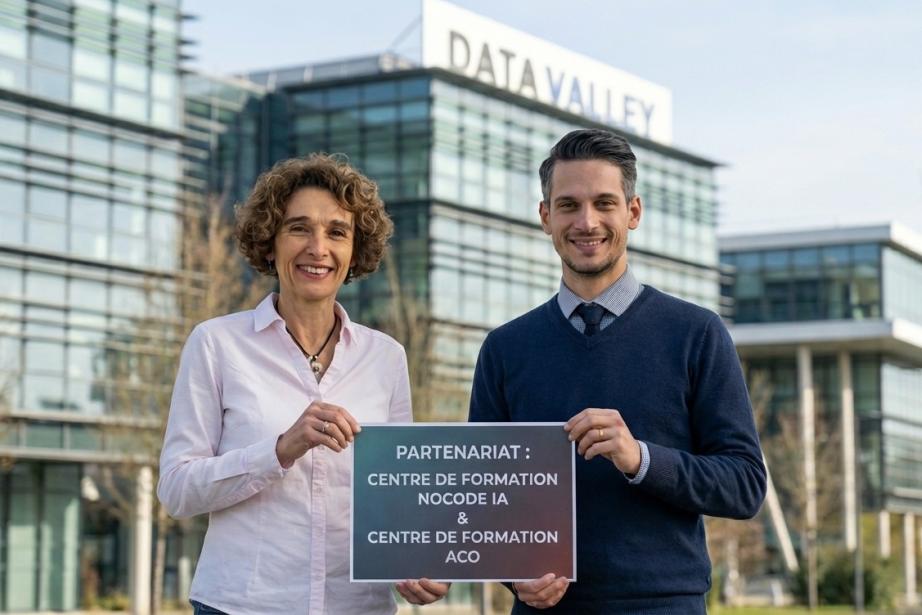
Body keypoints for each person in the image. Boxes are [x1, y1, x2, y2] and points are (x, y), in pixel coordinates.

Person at [468, 129, 766, 614]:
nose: (586, 222)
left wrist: (640, 459)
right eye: (568, 205)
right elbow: (482, 498)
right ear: (546, 217)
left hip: (664, 605)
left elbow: (745, 484)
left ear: (633, 212)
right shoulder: (505, 349)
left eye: (604, 203)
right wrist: (512, 572)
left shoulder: (697, 334)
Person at [158, 155, 449, 614]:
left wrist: (412, 564)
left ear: (355, 251)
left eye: (337, 232)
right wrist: (279, 449)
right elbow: (177, 490)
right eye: (298, 228)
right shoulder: (216, 343)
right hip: (242, 605)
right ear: (270, 243)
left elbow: (398, 500)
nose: (318, 247)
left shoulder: (386, 357)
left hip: (358, 606)